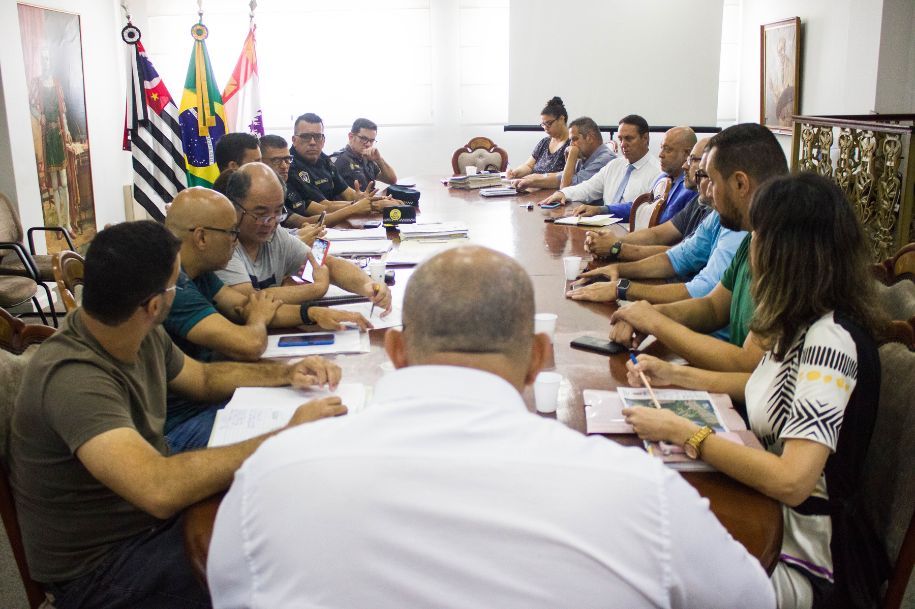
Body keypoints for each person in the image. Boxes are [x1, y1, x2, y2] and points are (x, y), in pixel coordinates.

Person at [207, 245, 775, 609]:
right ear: (538, 357)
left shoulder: (270, 479)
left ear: (397, 351)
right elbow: (751, 599)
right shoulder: (644, 495)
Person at [8, 220, 347, 608]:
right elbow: (159, 489)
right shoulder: (74, 379)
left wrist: (285, 374)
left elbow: (201, 378)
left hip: (144, 524)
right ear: (155, 304)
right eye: (175, 283)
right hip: (102, 570)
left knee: (286, 514)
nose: (180, 287)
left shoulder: (132, 328)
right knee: (287, 562)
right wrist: (284, 435)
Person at [623, 173, 883, 609]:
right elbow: (765, 387)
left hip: (805, 558)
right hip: (771, 518)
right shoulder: (802, 323)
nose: (752, 247)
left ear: (788, 249)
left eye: (759, 235)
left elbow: (793, 480)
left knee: (648, 577)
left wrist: (687, 433)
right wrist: (677, 378)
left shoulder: (829, 341)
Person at [609, 123, 788, 373]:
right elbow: (713, 307)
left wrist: (657, 324)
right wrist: (650, 314)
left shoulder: (787, 253)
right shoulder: (751, 236)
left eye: (712, 181)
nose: (708, 192)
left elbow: (748, 365)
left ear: (740, 184)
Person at [163, 186, 371, 363]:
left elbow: (246, 305)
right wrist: (260, 317)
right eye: (231, 233)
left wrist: (312, 314)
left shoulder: (200, 272)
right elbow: (249, 343)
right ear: (201, 238)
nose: (235, 241)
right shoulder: (173, 287)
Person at [566, 150, 747, 317]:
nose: (707, 188)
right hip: (683, 301)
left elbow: (703, 293)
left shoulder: (739, 229)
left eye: (707, 177)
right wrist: (619, 267)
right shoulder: (716, 212)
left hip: (687, 304)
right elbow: (676, 256)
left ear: (740, 183)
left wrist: (624, 287)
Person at [216, 162, 393, 311]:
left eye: (278, 212)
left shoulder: (274, 236)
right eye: (261, 213)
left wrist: (367, 285)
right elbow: (250, 302)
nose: (270, 222)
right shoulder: (223, 246)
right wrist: (316, 288)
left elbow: (326, 264)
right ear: (234, 207)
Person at [585, 138, 710, 262]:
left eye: (692, 159)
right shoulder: (669, 183)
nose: (660, 154)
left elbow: (681, 254)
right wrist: (613, 241)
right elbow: (656, 233)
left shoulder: (694, 196)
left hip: (665, 264)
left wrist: (616, 248)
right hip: (656, 257)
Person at [574, 126, 696, 224]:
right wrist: (600, 210)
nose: (661, 155)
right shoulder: (663, 178)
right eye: (661, 148)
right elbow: (641, 208)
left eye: (668, 150)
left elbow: (664, 227)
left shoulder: (690, 189)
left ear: (687, 154)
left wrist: (622, 244)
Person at [538, 114, 661, 210]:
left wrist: (602, 211)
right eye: (620, 139)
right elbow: (588, 188)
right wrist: (563, 193)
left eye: (629, 138)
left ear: (645, 138)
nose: (623, 144)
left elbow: (643, 212)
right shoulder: (615, 165)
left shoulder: (658, 173)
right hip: (603, 227)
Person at [285, 113, 385, 224]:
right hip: (314, 226)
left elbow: (348, 193)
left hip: (334, 224)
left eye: (318, 137)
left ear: (323, 140)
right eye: (306, 137)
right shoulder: (289, 167)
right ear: (294, 140)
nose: (312, 142)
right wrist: (370, 205)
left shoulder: (323, 159)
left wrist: (364, 199)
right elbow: (324, 207)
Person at [513, 116, 613, 190]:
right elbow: (559, 178)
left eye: (575, 139)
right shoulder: (586, 157)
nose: (571, 145)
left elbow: (566, 187)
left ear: (590, 137)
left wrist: (571, 157)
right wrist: (531, 182)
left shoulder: (604, 160)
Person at [506, 96, 570, 180]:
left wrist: (538, 178)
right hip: (533, 185)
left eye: (549, 123)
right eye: (543, 124)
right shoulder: (545, 142)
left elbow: (567, 175)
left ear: (561, 119)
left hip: (551, 189)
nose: (545, 127)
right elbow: (529, 165)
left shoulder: (571, 144)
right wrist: (515, 172)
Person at [330, 117, 398, 187]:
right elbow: (328, 195)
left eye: (371, 140)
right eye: (364, 138)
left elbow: (392, 180)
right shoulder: (337, 160)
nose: (368, 144)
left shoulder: (367, 158)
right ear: (351, 136)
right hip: (354, 198)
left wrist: (379, 159)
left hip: (371, 197)